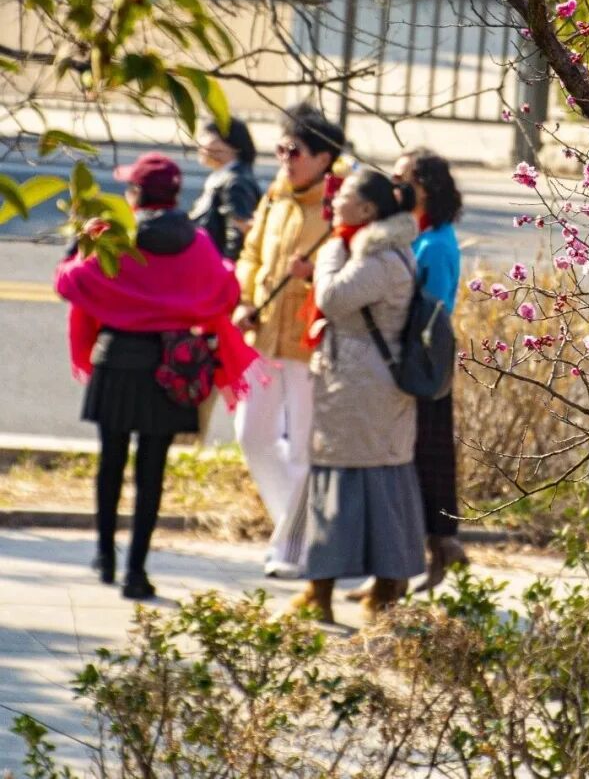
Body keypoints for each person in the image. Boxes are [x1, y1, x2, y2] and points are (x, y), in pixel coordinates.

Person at [54, 153, 258, 601]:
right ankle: (136, 572)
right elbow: (227, 293)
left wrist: (79, 242)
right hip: (172, 369)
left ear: (137, 195)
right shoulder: (199, 243)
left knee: (111, 462)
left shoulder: (114, 238)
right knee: (152, 470)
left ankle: (104, 557)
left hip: (117, 359)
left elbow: (69, 283)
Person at [289, 169, 426, 625]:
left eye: (343, 196)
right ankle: (338, 589)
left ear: (367, 210)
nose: (333, 200)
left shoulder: (377, 256)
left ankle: (345, 592)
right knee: (368, 481)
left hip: (361, 386)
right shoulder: (379, 250)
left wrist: (329, 253)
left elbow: (332, 298)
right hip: (363, 383)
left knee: (349, 482)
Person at [234, 102, 345, 577]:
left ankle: (293, 549)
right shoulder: (276, 195)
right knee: (252, 436)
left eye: (294, 149)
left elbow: (345, 271)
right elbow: (252, 253)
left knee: (302, 449)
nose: (285, 157)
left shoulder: (338, 205)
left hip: (308, 345)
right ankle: (294, 524)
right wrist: (243, 299)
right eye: (280, 148)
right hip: (263, 339)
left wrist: (309, 277)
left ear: (323, 158)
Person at [395, 149, 466, 588]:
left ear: (425, 187)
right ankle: (442, 550)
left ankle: (441, 548)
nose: (395, 184)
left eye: (403, 178)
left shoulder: (436, 244)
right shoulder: (413, 234)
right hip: (412, 359)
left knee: (428, 457)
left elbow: (432, 312)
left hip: (425, 363)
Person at [190, 115, 261, 260]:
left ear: (232, 145)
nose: (201, 144)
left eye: (208, 136)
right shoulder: (221, 178)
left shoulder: (235, 183)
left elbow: (238, 234)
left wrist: (226, 270)